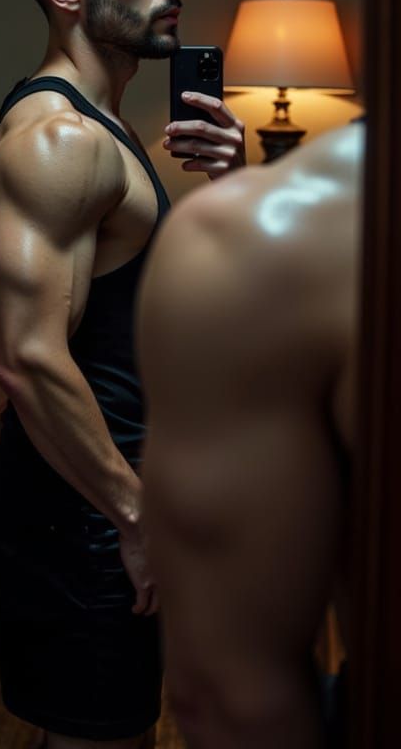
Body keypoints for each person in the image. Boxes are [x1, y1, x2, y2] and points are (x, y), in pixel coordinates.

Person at [0, 0, 246, 749]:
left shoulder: (101, 128)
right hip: (85, 513)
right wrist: (132, 517)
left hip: (102, 497)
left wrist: (235, 182)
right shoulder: (57, 142)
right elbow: (29, 357)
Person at [136, 118, 364, 748]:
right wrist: (120, 502)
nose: (165, 10)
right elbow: (28, 358)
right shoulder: (55, 143)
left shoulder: (271, 235)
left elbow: (228, 697)